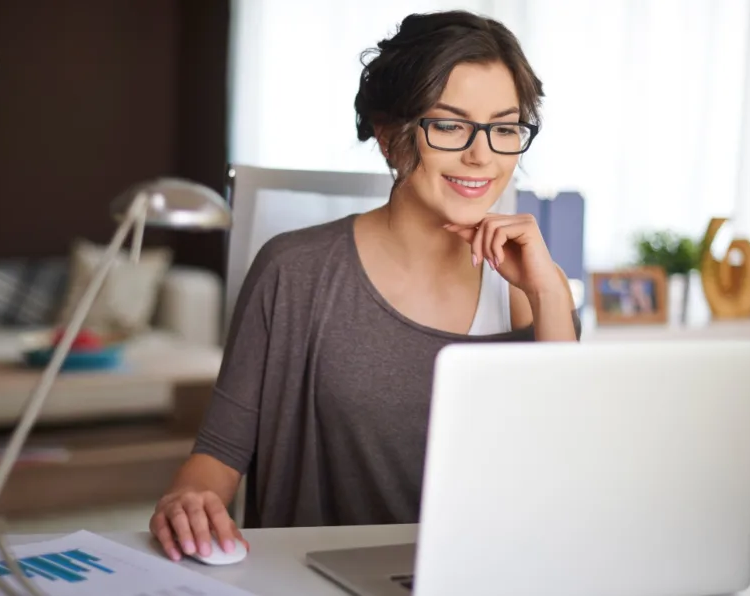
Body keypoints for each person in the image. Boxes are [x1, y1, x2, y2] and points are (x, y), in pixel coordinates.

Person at [149, 9, 581, 563]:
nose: (482, 155)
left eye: (504, 127)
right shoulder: (294, 271)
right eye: (449, 124)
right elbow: (218, 456)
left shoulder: (532, 286)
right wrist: (190, 498)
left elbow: (570, 475)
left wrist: (549, 295)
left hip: (486, 575)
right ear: (389, 136)